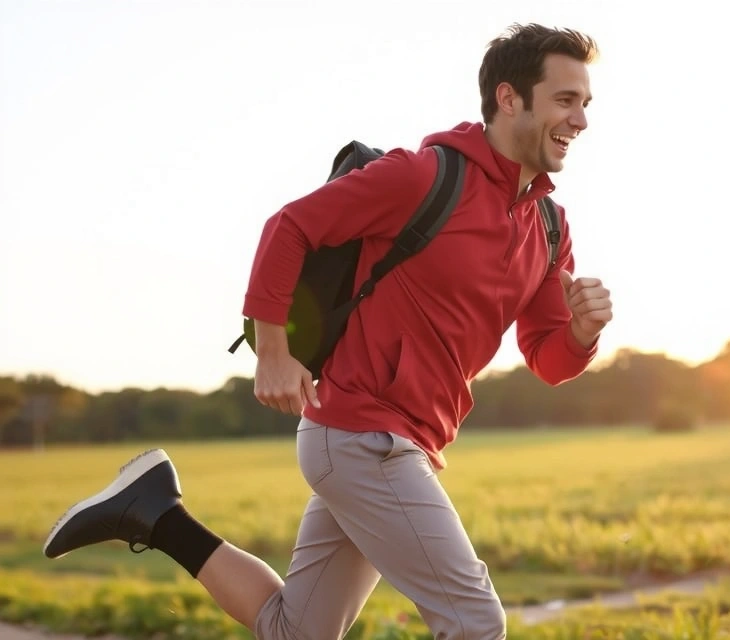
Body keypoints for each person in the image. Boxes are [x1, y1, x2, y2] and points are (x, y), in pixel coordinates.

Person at [43, 22, 612, 640]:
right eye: (565, 99)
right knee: (474, 620)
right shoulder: (423, 177)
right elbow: (290, 227)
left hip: (399, 444)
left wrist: (581, 332)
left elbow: (549, 359)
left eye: (585, 102)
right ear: (509, 98)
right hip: (363, 435)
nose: (580, 119)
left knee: (298, 631)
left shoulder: (550, 228)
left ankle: (153, 512)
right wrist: (274, 351)